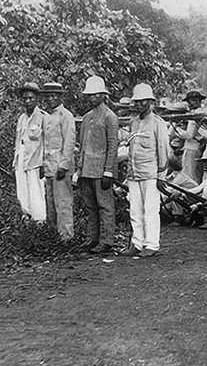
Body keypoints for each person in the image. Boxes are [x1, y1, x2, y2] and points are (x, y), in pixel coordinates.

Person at [120, 83, 169, 257]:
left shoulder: (158, 123)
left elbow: (163, 150)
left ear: (150, 101)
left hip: (151, 173)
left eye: (143, 101)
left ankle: (152, 244)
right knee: (135, 210)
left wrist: (161, 175)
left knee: (150, 210)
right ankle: (137, 243)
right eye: (137, 101)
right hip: (134, 173)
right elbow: (131, 149)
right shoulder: (134, 122)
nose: (139, 104)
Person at [76, 76, 119, 254]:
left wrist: (108, 171)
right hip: (87, 168)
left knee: (105, 206)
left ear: (103, 95)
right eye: (90, 95)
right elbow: (82, 145)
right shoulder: (87, 117)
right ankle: (92, 238)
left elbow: (113, 145)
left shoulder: (110, 117)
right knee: (90, 206)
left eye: (95, 95)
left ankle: (107, 240)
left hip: (101, 169)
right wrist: (79, 169)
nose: (92, 98)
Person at [41, 82, 76, 240]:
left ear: (60, 97)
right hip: (49, 164)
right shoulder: (46, 117)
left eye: (54, 95)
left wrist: (63, 165)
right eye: (48, 96)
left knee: (63, 202)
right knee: (50, 202)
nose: (50, 99)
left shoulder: (66, 116)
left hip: (60, 164)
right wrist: (43, 163)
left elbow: (69, 142)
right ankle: (53, 236)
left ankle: (66, 237)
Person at [14, 82, 46, 223]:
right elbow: (18, 140)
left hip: (36, 159)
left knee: (36, 190)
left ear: (37, 99)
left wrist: (45, 163)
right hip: (21, 157)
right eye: (25, 98)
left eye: (31, 98)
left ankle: (40, 220)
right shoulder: (22, 118)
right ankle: (26, 215)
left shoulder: (43, 117)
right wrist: (15, 160)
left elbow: (47, 142)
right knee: (22, 189)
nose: (27, 101)